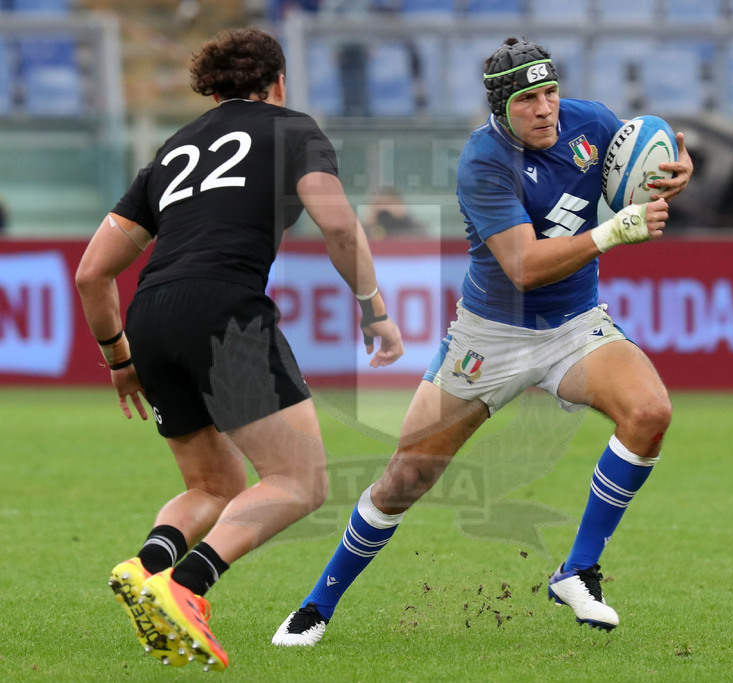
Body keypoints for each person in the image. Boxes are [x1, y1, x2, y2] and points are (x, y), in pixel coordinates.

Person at [272, 36, 693, 646]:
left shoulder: (594, 123)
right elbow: (522, 267)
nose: (546, 108)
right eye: (529, 99)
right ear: (502, 107)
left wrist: (676, 173)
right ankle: (317, 605)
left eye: (550, 92)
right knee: (405, 478)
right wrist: (614, 232)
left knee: (650, 412)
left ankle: (577, 570)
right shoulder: (483, 160)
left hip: (574, 326)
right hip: (490, 336)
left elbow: (655, 158)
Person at [74, 27, 403, 671]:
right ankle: (185, 588)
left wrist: (120, 361)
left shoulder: (171, 150)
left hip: (151, 314)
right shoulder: (292, 128)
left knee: (212, 483)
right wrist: (374, 308)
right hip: (223, 311)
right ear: (277, 83)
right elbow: (336, 221)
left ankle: (145, 566)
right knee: (300, 480)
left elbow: (92, 273)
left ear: (216, 88)